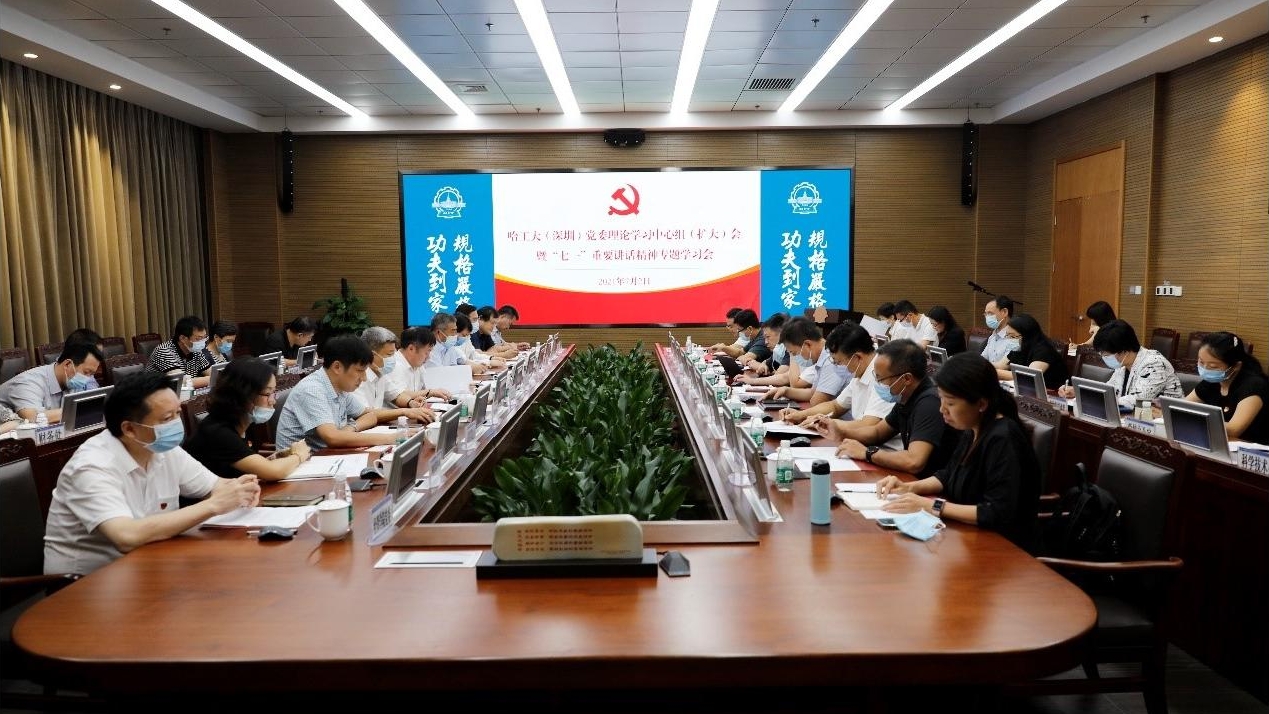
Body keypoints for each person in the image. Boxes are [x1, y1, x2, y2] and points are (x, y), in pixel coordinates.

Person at [42, 372, 261, 576]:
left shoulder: (162, 448)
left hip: (152, 565)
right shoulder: (91, 466)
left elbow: (215, 487)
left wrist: (241, 489)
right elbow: (126, 536)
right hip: (88, 583)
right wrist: (213, 505)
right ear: (129, 429)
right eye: (166, 419)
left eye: (178, 413)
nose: (177, 424)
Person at [875, 353, 1041, 549]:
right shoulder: (973, 428)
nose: (942, 410)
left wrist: (932, 506)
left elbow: (996, 512)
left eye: (951, 403)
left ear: (981, 404)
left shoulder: (1004, 438)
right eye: (941, 400)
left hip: (1002, 548)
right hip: (966, 536)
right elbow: (948, 475)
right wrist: (908, 488)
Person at [825, 339, 961, 478]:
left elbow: (914, 461)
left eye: (880, 379)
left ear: (906, 379)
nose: (877, 383)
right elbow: (878, 432)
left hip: (931, 484)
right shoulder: (905, 397)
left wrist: (867, 453)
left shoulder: (929, 402)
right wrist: (840, 432)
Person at [183, 358, 312, 480]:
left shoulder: (241, 422)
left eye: (274, 392)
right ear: (243, 395)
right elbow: (273, 472)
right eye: (268, 394)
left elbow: (238, 468)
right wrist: (298, 455)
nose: (273, 401)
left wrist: (273, 460)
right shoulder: (217, 432)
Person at [275, 335, 401, 450]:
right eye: (360, 371)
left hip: (326, 456)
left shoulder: (339, 387)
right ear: (337, 367)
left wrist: (350, 428)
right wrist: (390, 438)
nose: (364, 378)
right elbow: (332, 438)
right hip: (298, 463)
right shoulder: (312, 390)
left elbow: (370, 415)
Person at [784, 324, 897, 438]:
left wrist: (824, 422)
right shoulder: (859, 374)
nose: (838, 367)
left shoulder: (883, 377)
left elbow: (869, 425)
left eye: (839, 362)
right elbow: (835, 406)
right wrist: (801, 415)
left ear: (857, 357)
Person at [1057, 319, 1183, 408]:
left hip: (1167, 423)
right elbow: (1108, 390)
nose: (1104, 358)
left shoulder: (1154, 363)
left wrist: (1090, 397)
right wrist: (1078, 392)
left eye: (1106, 355)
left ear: (1124, 351)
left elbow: (1136, 400)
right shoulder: (1123, 364)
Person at [1186, 332, 1269, 444]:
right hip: (1219, 444)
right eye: (1201, 362)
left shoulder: (1254, 386)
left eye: (1213, 366)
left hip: (1251, 449)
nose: (1205, 369)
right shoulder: (1211, 381)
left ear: (1236, 366)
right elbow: (1182, 406)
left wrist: (1193, 420)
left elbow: (1234, 430)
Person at [0, 341, 103, 423]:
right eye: (86, 372)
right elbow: (32, 418)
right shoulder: (28, 382)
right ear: (67, 364)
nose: (88, 378)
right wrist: (83, 410)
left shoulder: (72, 380)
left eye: (92, 374)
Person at [354, 326, 435, 425]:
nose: (393, 359)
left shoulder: (380, 372)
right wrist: (404, 411)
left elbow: (396, 395)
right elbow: (365, 414)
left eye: (394, 353)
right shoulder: (357, 377)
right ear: (372, 355)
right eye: (389, 354)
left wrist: (411, 403)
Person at [762, 318, 850, 406]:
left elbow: (816, 400)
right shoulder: (822, 358)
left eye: (794, 353)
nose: (795, 357)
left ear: (807, 344)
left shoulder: (831, 360)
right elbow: (813, 392)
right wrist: (786, 391)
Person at [993, 313, 1069, 389]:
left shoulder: (1044, 350)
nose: (1009, 339)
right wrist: (986, 365)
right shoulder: (1019, 347)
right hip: (1027, 390)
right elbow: (1000, 365)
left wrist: (993, 372)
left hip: (1052, 393)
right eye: (1007, 335)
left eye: (1012, 336)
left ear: (1027, 335)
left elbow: (1028, 376)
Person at [383, 327, 450, 409]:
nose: (428, 357)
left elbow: (421, 390)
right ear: (411, 348)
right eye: (427, 352)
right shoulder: (393, 365)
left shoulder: (417, 364)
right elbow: (398, 395)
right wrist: (431, 392)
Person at [146, 315, 212, 386]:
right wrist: (212, 379)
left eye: (204, 338)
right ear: (182, 338)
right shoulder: (164, 351)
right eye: (198, 338)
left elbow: (211, 372)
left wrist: (213, 377)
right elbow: (181, 382)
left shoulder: (196, 351)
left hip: (182, 391)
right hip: (156, 391)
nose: (203, 342)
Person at [737, 313, 794, 385]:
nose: (765, 342)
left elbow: (780, 378)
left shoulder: (791, 350)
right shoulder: (779, 350)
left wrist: (752, 381)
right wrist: (750, 376)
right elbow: (765, 364)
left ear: (782, 335)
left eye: (768, 337)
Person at [980, 295, 1016, 363]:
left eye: (990, 313)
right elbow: (983, 359)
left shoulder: (1015, 338)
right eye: (986, 314)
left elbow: (1005, 365)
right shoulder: (993, 336)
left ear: (1004, 312)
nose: (987, 317)